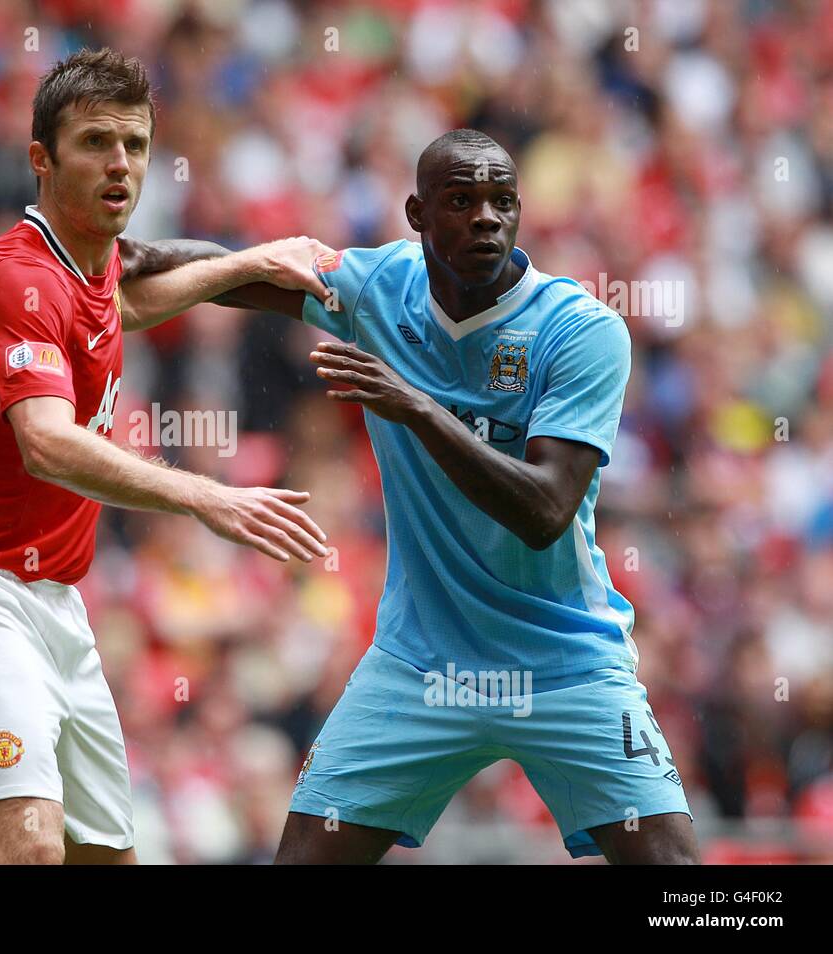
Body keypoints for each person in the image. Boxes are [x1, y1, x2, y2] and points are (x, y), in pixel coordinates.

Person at [0, 48, 333, 865]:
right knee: (30, 852)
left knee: (106, 859)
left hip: (55, 603)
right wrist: (208, 497)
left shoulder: (88, 267)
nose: (119, 163)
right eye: (95, 142)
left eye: (135, 143)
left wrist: (249, 260)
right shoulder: (19, 278)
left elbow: (124, 300)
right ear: (41, 161)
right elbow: (47, 442)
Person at [212, 129, 698, 864]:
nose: (486, 218)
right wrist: (95, 261)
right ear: (416, 212)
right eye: (462, 200)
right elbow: (215, 275)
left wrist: (418, 407)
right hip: (419, 667)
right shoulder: (378, 291)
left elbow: (543, 512)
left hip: (565, 662)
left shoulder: (581, 330)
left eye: (503, 201)